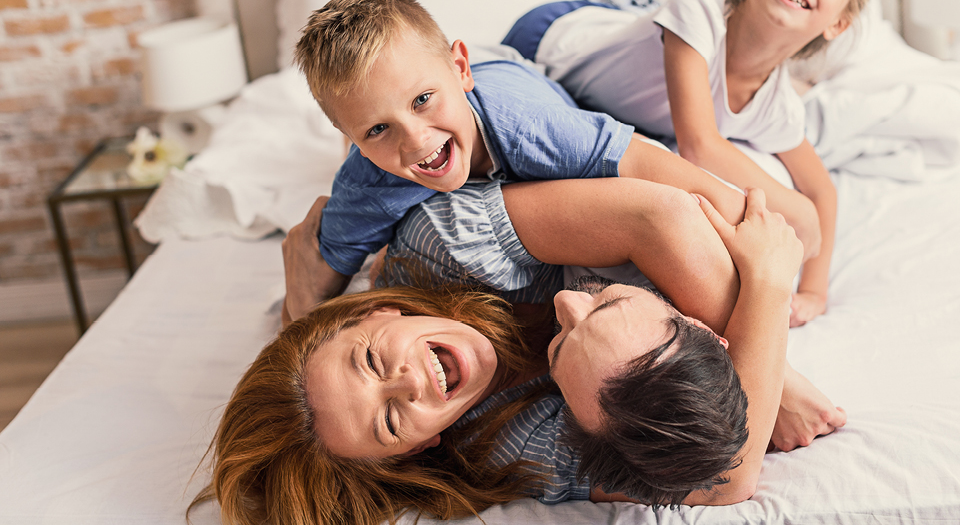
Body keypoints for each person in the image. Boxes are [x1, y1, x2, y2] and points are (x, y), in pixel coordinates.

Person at [192, 183, 846, 525]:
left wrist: (771, 375)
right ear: (415, 448)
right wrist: (763, 286)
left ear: (375, 311)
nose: (409, 384)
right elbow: (721, 480)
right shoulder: (498, 445)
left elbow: (660, 218)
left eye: (368, 361)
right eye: (390, 420)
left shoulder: (438, 246)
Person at [284, 0, 758, 327]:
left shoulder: (533, 127)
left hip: (537, 41)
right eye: (378, 129)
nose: (414, 140)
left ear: (460, 69)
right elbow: (312, 288)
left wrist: (757, 243)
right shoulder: (365, 183)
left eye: (422, 100)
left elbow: (659, 168)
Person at [501, 0, 878, 326]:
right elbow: (699, 145)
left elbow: (821, 188)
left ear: (837, 24)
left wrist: (813, 292)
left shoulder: (777, 105)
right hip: (552, 35)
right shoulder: (699, 10)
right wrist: (798, 213)